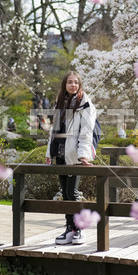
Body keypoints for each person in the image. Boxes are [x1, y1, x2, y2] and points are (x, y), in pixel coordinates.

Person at [46, 71, 96, 245]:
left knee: (72, 193)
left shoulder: (85, 104)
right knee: (65, 194)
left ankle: (79, 229)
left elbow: (86, 132)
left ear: (80, 85)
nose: (73, 85)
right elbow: (54, 132)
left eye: (76, 82)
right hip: (60, 153)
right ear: (64, 85)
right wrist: (48, 153)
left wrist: (83, 155)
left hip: (75, 155)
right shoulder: (59, 102)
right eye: (69, 82)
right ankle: (69, 228)